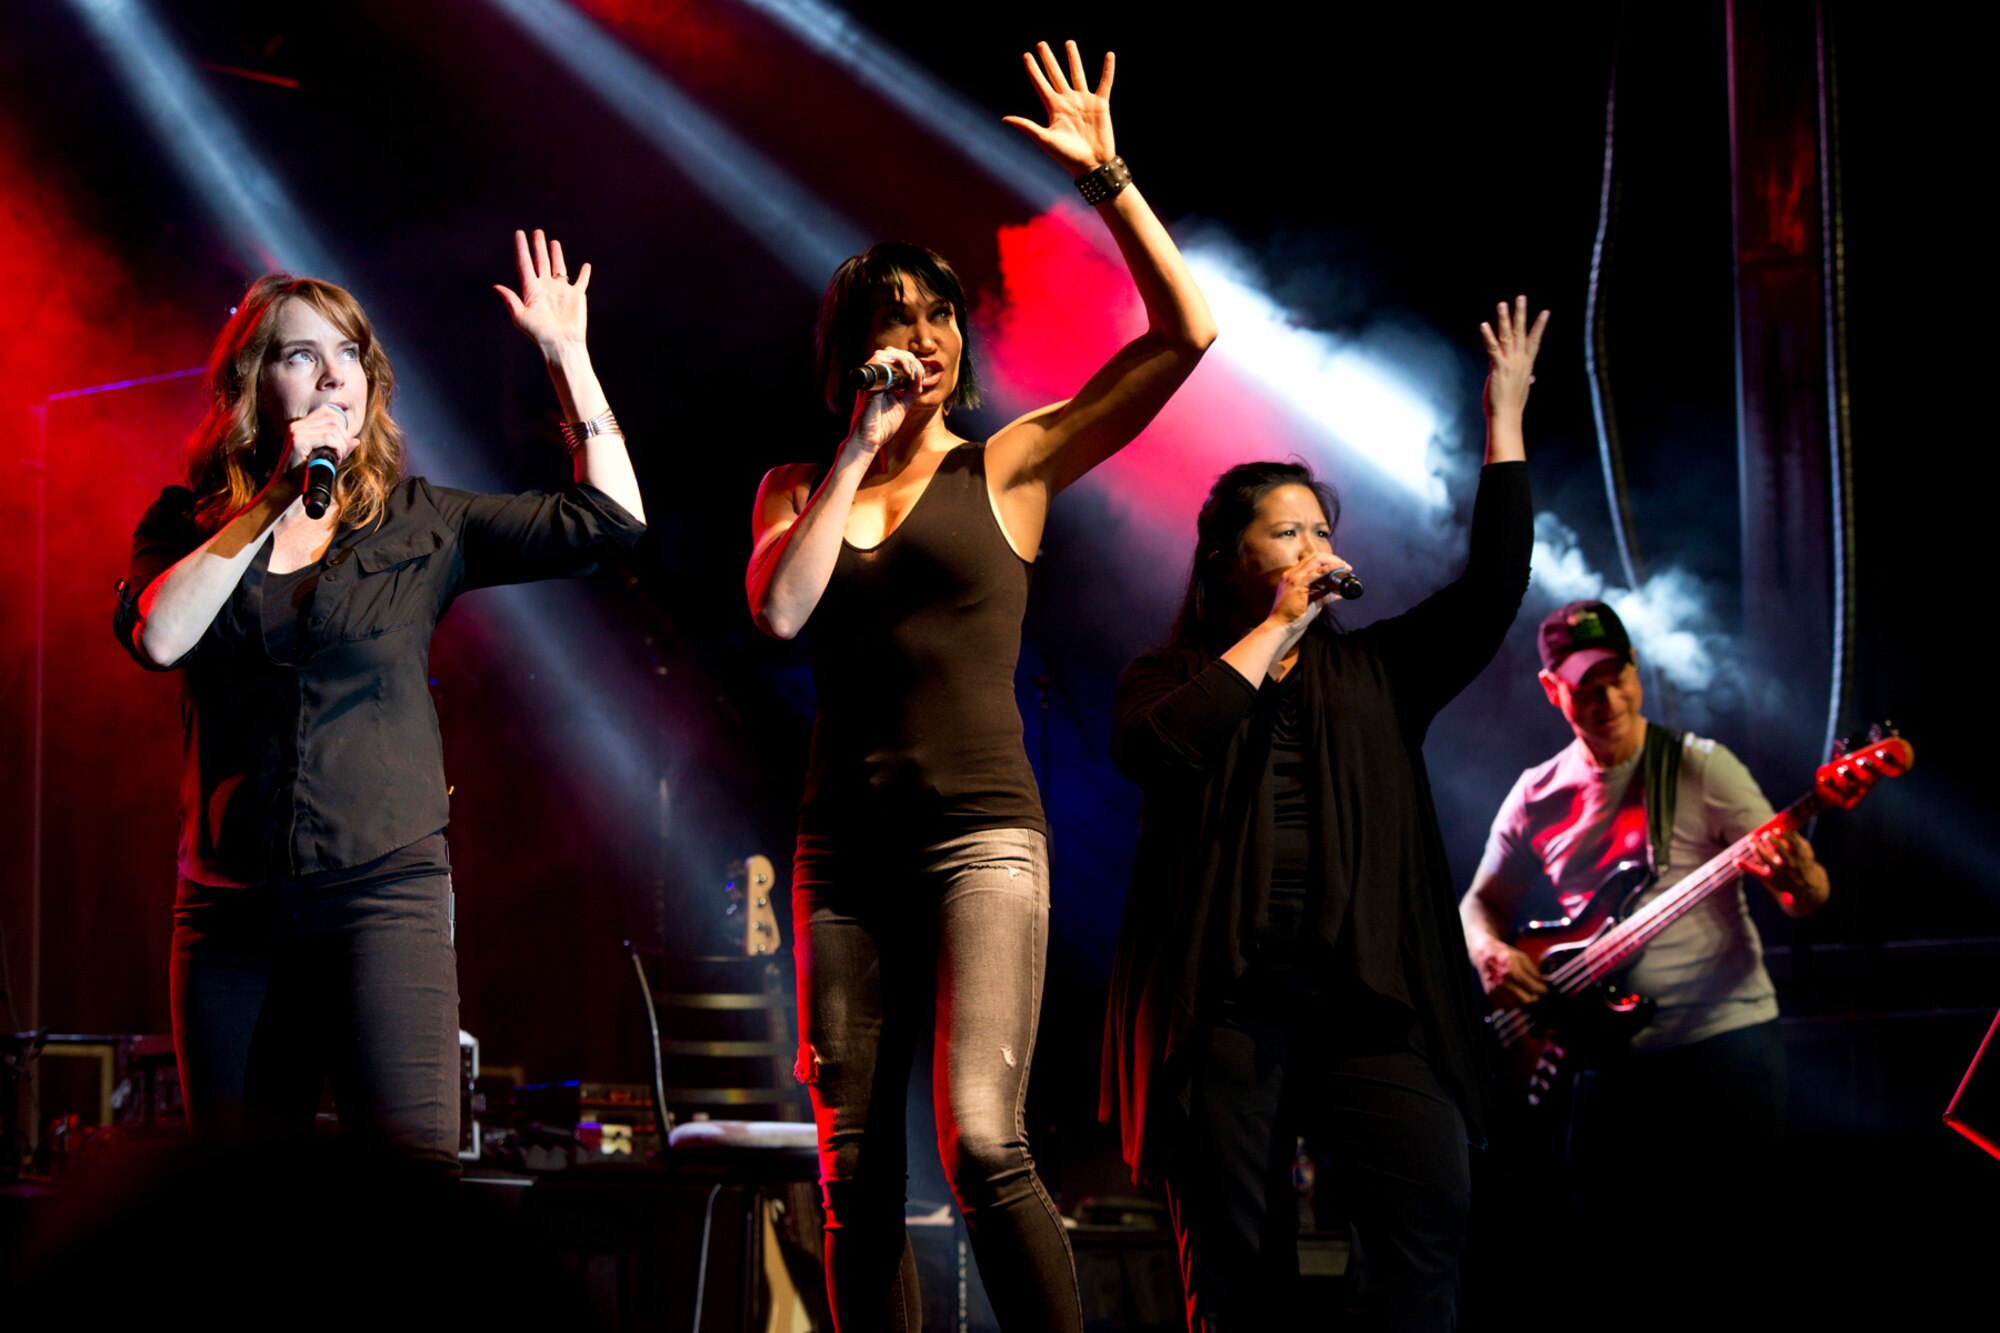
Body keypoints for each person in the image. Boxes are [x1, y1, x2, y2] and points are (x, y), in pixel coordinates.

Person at [745, 40, 1216, 1333]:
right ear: (855, 348)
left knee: (981, 1138)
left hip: (980, 839)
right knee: (853, 1172)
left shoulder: (1005, 468)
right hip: (844, 852)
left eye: (943, 315)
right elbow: (784, 610)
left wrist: (1112, 177)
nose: (931, 337)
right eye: (900, 318)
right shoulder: (801, 486)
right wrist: (855, 449)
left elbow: (1189, 336)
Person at [113, 230, 645, 1168]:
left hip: (382, 895)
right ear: (252, 385)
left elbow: (610, 521)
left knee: (410, 1189)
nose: (331, 375)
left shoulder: (422, 522)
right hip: (232, 915)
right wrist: (272, 500)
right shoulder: (185, 525)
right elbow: (160, 637)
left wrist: (569, 360)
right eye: (300, 354)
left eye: (349, 353)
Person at [1103, 298, 1548, 1330]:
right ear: (1229, 558)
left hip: (1368, 1003)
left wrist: (1506, 422)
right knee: (1230, 1261)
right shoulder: (1167, 675)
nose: (1311, 544)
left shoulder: (1383, 670)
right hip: (1223, 1005)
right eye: (1285, 530)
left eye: (1320, 529)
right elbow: (1160, 751)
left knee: (1427, 1216)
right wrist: (1277, 627)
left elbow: (1491, 587)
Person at [1458, 598, 1829, 1323]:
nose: (1606, 698)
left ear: (1636, 669)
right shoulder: (1538, 792)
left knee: (1740, 1258)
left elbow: (1805, 896)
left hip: (1726, 1047)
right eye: (1583, 685)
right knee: (1613, 1265)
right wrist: (1492, 955)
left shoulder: (1701, 766)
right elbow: (1479, 902)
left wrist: (1797, 875)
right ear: (1551, 689)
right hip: (1607, 1068)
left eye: (1616, 675)